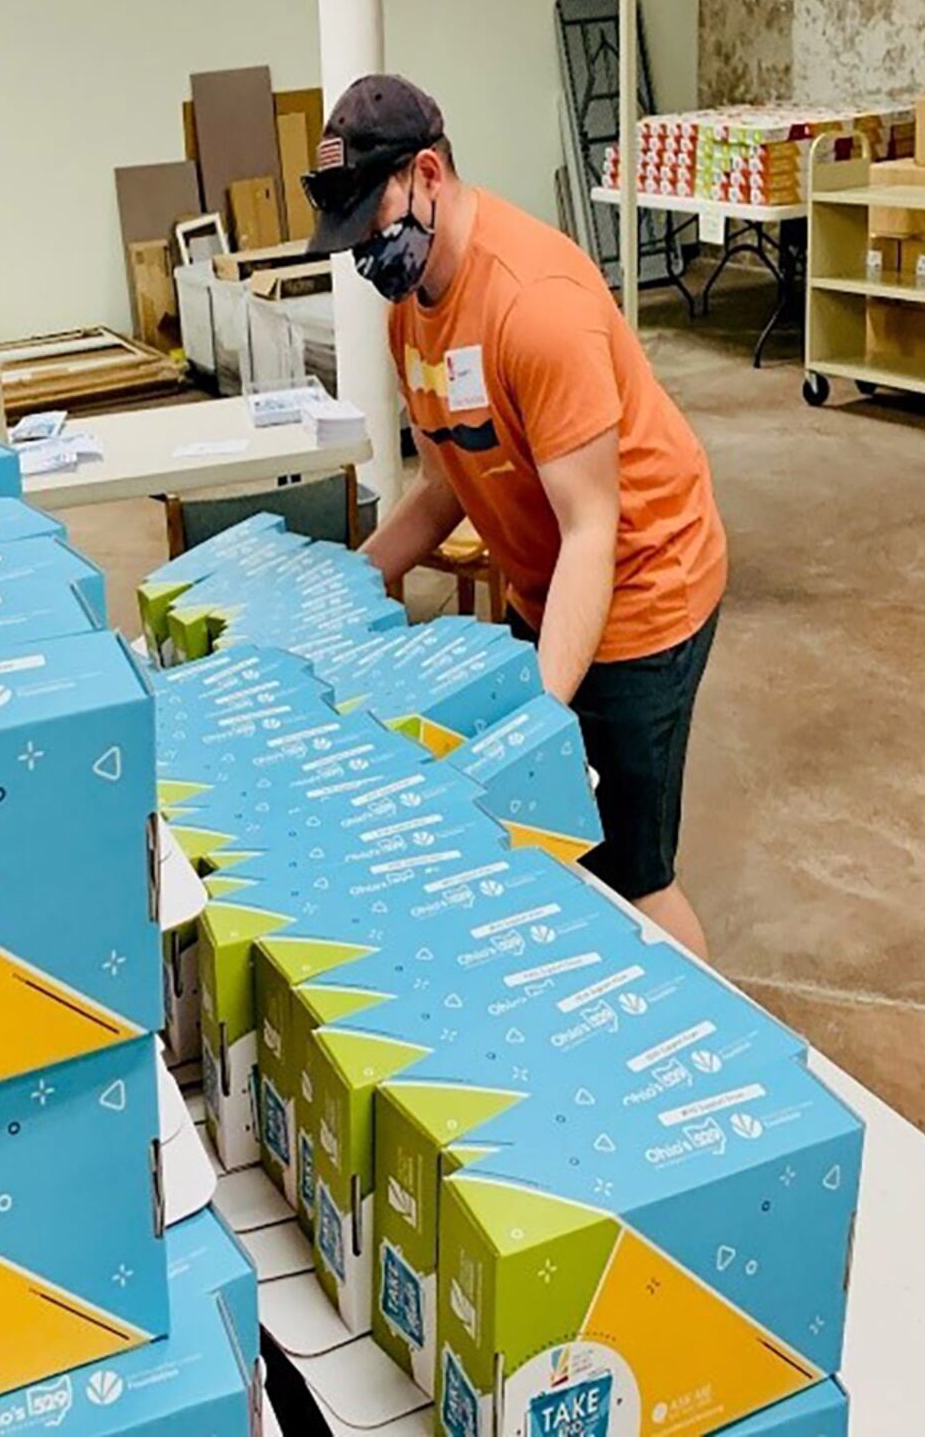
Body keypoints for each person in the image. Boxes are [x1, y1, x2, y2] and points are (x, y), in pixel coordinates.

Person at [306, 76, 727, 957]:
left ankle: (702, 1047)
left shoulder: (536, 305)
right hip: (553, 579)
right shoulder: (410, 316)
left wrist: (539, 711)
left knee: (632, 868)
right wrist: (334, 594)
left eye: (369, 229)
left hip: (643, 581)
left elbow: (593, 530)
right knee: (549, 835)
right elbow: (443, 489)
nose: (365, 257)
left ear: (428, 173)